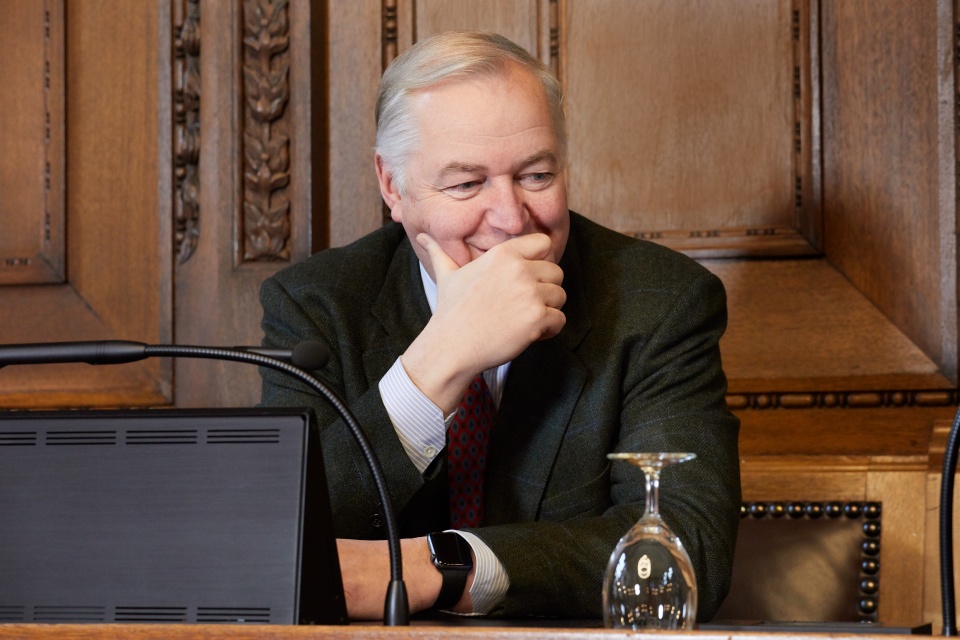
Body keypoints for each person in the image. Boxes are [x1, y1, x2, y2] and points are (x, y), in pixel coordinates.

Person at [258, 30, 740, 621]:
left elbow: (690, 548)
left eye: (536, 175)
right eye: (466, 184)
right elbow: (275, 542)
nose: (512, 220)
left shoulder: (661, 302)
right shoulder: (316, 304)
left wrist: (437, 566)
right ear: (392, 186)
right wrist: (442, 359)